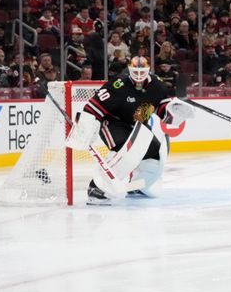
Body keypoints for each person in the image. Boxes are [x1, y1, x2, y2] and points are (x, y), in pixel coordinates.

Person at [66, 56, 193, 205]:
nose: (139, 76)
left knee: (154, 153)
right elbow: (93, 107)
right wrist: (84, 127)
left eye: (142, 72)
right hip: (113, 123)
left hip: (138, 126)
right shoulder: (118, 84)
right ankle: (97, 189)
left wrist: (175, 112)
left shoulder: (157, 84)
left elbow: (161, 108)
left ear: (148, 71)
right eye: (135, 72)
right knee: (125, 151)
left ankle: (137, 186)